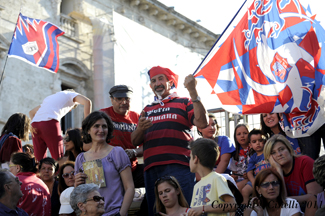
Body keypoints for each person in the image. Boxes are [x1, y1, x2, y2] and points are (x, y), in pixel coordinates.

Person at [131, 66, 208, 215]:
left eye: (161, 78)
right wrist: (140, 128)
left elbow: (202, 123)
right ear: (150, 86)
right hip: (152, 168)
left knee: (185, 210)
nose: (157, 83)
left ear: (170, 81)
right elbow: (134, 141)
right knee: (157, 212)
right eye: (153, 80)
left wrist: (193, 92)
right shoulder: (147, 109)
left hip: (180, 165)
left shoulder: (184, 102)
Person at [74, 111, 134, 216]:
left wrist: (122, 213)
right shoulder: (80, 158)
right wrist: (76, 185)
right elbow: (79, 195)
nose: (101, 130)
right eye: (96, 126)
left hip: (114, 212)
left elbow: (129, 187)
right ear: (88, 130)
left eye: (104, 126)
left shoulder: (117, 153)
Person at [264, 134, 323, 215]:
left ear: (289, 149)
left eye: (281, 149)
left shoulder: (305, 162)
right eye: (273, 153)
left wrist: (286, 200)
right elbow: (280, 200)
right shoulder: (272, 172)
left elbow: (315, 196)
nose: (279, 154)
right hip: (291, 209)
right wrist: (279, 171)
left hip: (311, 207)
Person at [100, 85, 144, 188]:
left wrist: (134, 152)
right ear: (111, 100)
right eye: (119, 99)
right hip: (107, 168)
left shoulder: (137, 118)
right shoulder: (102, 114)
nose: (123, 102)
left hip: (131, 169)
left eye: (127, 99)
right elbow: (88, 143)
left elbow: (147, 146)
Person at [29, 89, 92, 161]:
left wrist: (38, 125)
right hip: (49, 122)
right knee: (58, 158)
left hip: (34, 124)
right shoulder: (71, 94)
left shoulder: (50, 98)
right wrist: (86, 127)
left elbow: (31, 112)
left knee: (39, 160)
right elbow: (87, 102)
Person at [187, 138, 237, 216]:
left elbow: (232, 205)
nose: (189, 161)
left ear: (195, 159)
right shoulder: (196, 186)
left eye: (190, 157)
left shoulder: (217, 178)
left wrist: (203, 208)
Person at [242, 129, 270, 206]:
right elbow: (249, 172)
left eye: (260, 140)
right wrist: (254, 182)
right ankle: (245, 207)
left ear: (265, 141)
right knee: (245, 191)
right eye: (254, 142)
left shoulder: (268, 153)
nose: (258, 143)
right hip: (256, 179)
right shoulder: (253, 158)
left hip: (269, 178)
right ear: (250, 145)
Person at [229, 124, 250, 191]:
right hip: (239, 181)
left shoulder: (254, 151)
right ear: (235, 137)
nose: (242, 136)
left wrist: (249, 175)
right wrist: (234, 177)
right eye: (239, 134)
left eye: (245, 133)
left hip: (252, 178)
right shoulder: (234, 154)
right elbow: (234, 173)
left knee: (237, 188)